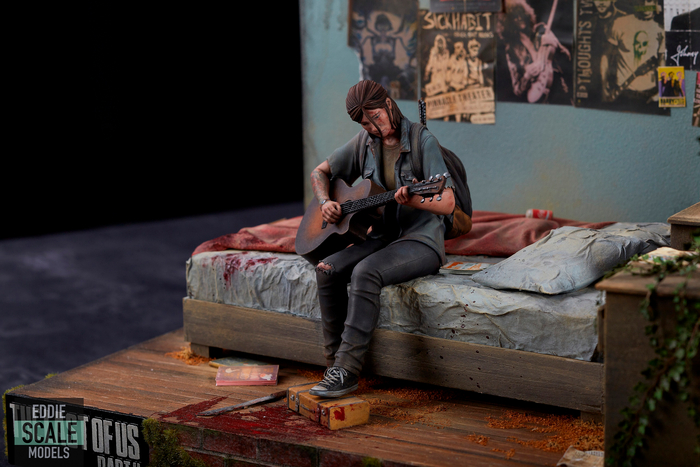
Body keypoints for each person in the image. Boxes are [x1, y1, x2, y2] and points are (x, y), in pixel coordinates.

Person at [307, 80, 464, 398]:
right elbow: (319, 172)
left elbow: (447, 202)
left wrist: (414, 199)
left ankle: (347, 370)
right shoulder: (363, 143)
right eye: (365, 123)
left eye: (376, 117)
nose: (373, 127)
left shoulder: (422, 141)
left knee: (366, 272)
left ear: (389, 104)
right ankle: (334, 367)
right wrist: (325, 202)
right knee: (326, 269)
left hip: (420, 240)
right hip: (381, 236)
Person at [601, 0, 664, 106]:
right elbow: (606, 56)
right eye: (642, 1)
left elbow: (663, 62)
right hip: (623, 92)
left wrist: (662, 93)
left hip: (650, 94)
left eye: (649, 1)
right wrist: (603, 84)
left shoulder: (660, 29)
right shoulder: (620, 23)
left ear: (655, 3)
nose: (645, 5)